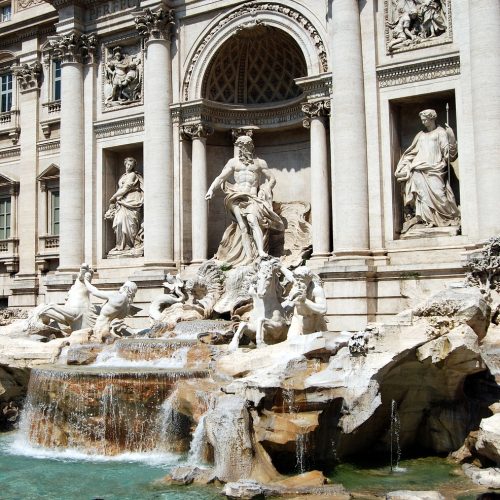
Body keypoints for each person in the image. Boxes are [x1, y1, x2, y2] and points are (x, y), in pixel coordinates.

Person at [205, 135, 284, 266]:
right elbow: (220, 178)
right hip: (236, 196)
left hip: (252, 197)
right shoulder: (233, 162)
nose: (243, 148)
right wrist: (211, 190)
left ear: (251, 147)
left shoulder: (259, 163)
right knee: (243, 227)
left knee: (253, 221)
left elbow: (272, 178)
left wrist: (266, 188)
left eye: (246, 146)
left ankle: (260, 252)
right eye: (241, 146)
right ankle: (248, 257)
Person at [394, 109, 460, 233]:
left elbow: (449, 154)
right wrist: (404, 166)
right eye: (422, 120)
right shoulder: (420, 135)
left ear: (432, 118)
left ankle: (446, 217)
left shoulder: (441, 132)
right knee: (422, 196)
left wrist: (451, 137)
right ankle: (427, 221)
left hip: (435, 169)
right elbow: (411, 153)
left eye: (425, 119)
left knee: (439, 194)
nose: (423, 122)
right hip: (419, 169)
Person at [24, 263, 94, 334]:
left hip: (82, 332)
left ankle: (42, 312)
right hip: (75, 329)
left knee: (49, 308)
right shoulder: (78, 284)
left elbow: (73, 315)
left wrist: (51, 307)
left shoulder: (84, 285)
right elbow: (66, 320)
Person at [105, 157, 144, 254]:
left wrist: (113, 197)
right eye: (128, 164)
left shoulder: (133, 175)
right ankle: (120, 246)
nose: (129, 166)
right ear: (125, 164)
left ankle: (130, 245)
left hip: (132, 199)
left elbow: (126, 188)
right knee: (119, 222)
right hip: (122, 201)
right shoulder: (123, 176)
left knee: (131, 224)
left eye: (131, 165)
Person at [83, 277, 138, 342]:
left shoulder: (116, 296)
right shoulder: (127, 306)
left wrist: (85, 280)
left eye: (122, 286)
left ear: (126, 288)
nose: (120, 288)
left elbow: (95, 292)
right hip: (111, 330)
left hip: (100, 329)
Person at [284, 266, 327, 339]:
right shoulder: (297, 283)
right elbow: (288, 274)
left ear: (308, 280)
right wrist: (280, 266)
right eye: (296, 280)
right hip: (297, 319)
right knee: (291, 341)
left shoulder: (316, 290)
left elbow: (323, 309)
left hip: (313, 322)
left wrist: (305, 301)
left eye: (301, 280)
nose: (298, 283)